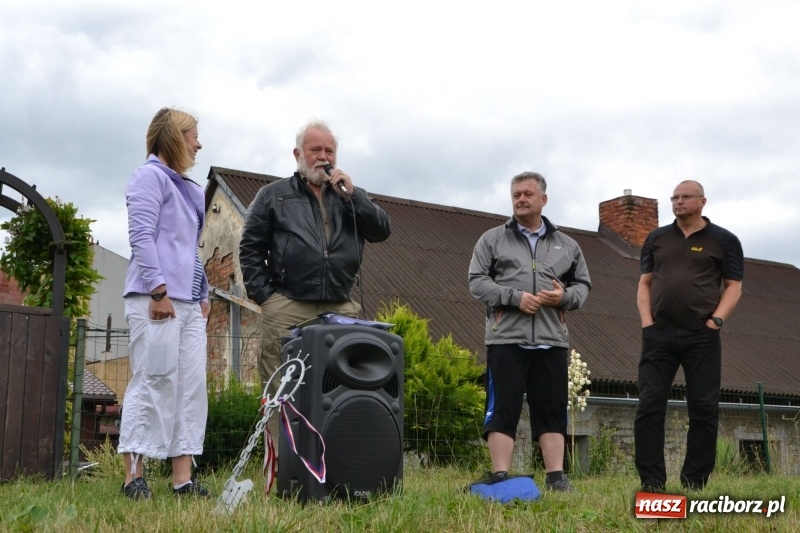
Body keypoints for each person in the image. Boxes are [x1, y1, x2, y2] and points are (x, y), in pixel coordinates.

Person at [239, 119, 391, 406]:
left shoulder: (350, 196)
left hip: (340, 304)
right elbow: (249, 248)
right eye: (315, 150)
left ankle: (332, 450)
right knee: (281, 390)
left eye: (330, 151)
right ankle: (285, 451)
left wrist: (355, 196)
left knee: (345, 386)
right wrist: (266, 298)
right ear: (298, 154)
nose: (323, 157)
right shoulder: (272, 195)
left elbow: (382, 230)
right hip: (287, 303)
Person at [468, 171, 591, 492]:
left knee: (551, 410)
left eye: (527, 194)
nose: (521, 200)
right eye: (516, 195)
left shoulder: (568, 246)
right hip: (505, 338)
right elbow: (477, 282)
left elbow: (582, 287)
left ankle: (556, 477)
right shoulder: (491, 240)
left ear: (543, 199)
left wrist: (561, 297)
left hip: (552, 341)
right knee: (502, 408)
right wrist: (514, 298)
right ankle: (499, 476)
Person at [119, 107, 211, 500]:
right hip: (156, 298)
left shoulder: (189, 189)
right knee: (154, 380)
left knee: (190, 387)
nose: (199, 143)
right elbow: (141, 235)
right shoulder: (148, 177)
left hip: (190, 303)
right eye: (193, 135)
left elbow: (189, 249)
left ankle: (182, 480)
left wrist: (203, 292)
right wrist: (157, 290)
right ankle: (133, 479)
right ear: (174, 136)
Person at [635, 180, 743, 492]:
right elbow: (645, 283)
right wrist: (647, 324)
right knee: (650, 404)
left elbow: (734, 286)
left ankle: (694, 481)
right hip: (659, 335)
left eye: (685, 197)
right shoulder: (657, 238)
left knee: (704, 408)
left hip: (702, 336)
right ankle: (652, 481)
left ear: (702, 202)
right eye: (674, 197)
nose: (679, 202)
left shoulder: (724, 240)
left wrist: (716, 322)